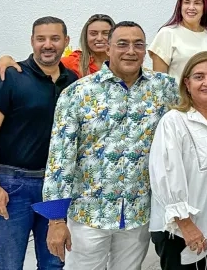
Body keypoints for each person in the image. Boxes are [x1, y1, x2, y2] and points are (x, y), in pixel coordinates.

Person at [34, 21, 179, 269]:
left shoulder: (165, 88)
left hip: (138, 211)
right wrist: (56, 220)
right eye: (122, 44)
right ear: (108, 49)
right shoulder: (77, 93)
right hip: (89, 214)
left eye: (138, 45)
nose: (131, 51)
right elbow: (60, 159)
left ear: (145, 51)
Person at [0, 16, 78, 270]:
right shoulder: (9, 76)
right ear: (32, 41)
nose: (48, 45)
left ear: (66, 42)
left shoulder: (73, 81)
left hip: (56, 186)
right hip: (13, 185)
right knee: (10, 263)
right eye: (41, 39)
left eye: (55, 38)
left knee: (54, 262)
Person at [149, 51, 207, 270]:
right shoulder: (174, 121)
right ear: (187, 83)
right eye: (199, 77)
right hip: (181, 230)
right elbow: (165, 176)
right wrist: (186, 224)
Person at [0, 13, 115, 80]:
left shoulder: (121, 63)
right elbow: (42, 65)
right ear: (85, 37)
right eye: (93, 33)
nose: (99, 38)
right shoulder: (72, 62)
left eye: (105, 33)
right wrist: (6, 59)